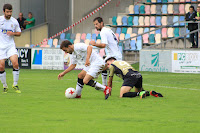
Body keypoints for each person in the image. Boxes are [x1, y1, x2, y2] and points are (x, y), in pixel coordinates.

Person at [90, 17, 122, 87]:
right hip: (115, 54)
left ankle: (104, 86)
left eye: (97, 24)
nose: (95, 26)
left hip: (114, 56)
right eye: (94, 24)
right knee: (103, 66)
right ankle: (105, 86)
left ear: (101, 23)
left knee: (122, 74)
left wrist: (94, 44)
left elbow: (104, 45)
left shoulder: (103, 32)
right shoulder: (108, 30)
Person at [0, 4, 21, 93]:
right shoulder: (0, 20)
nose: (9, 13)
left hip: (10, 45)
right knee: (1, 66)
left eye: (11, 11)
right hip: (1, 47)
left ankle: (15, 84)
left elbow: (19, 33)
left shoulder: (14, 21)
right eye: (7, 12)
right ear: (4, 11)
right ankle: (5, 86)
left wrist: (13, 33)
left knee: (15, 63)